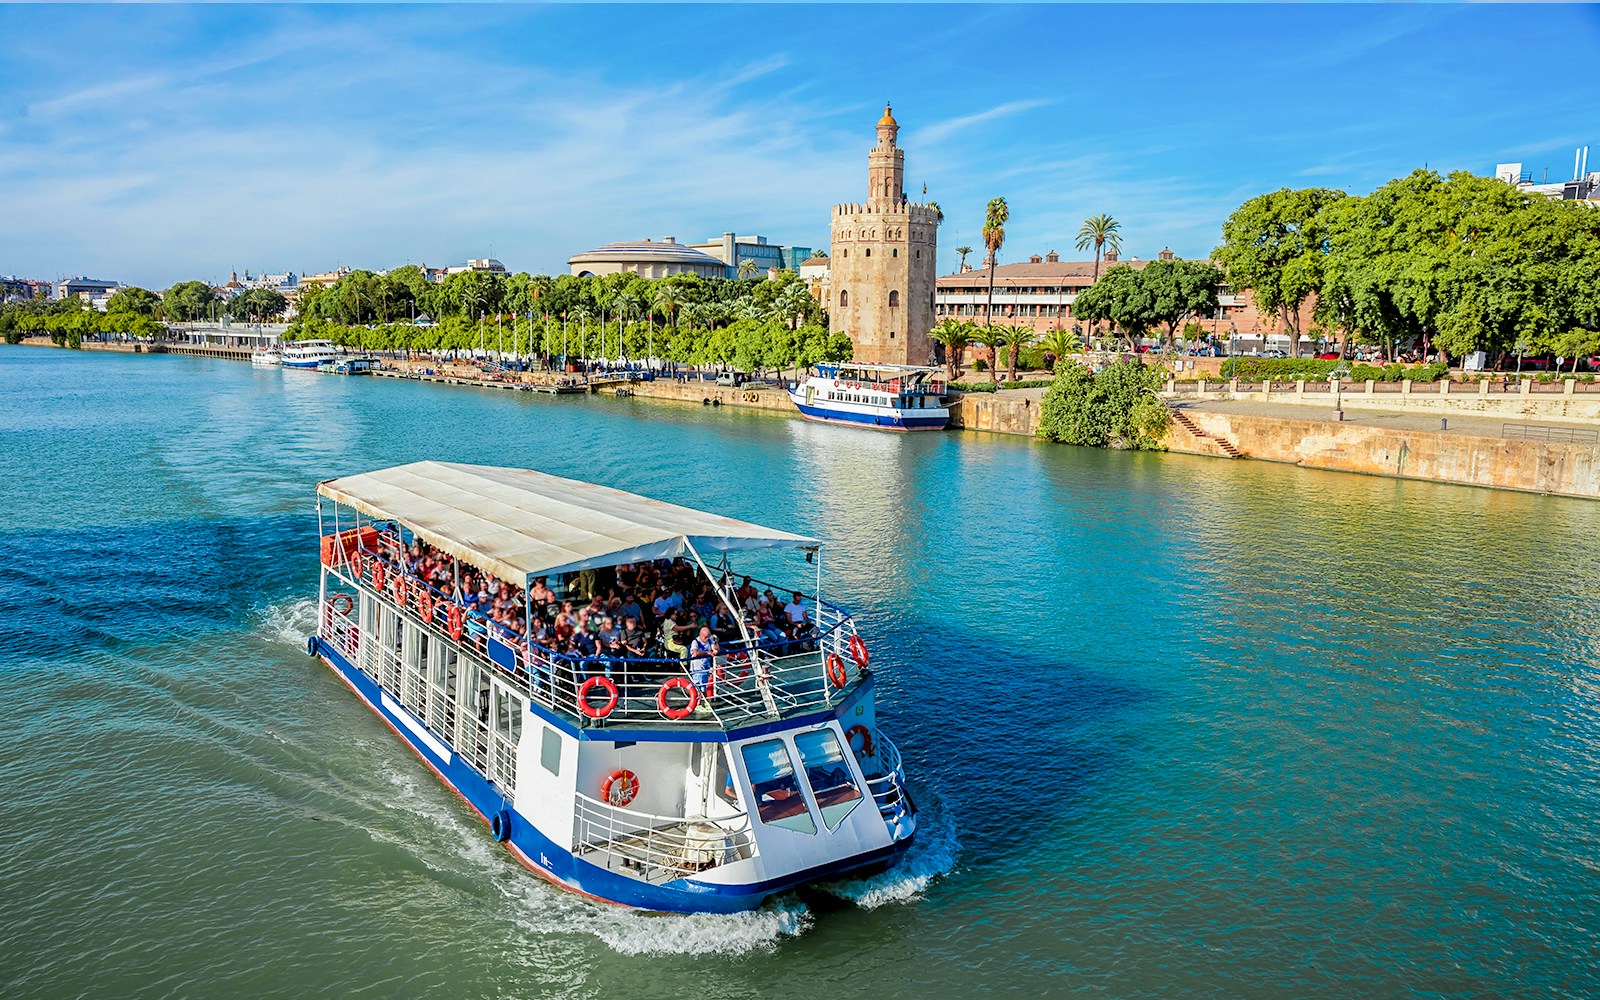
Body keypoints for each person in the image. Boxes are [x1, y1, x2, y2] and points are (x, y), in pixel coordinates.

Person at [688, 626, 718, 695]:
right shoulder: (695, 642)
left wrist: (716, 643)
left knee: (704, 687)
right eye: (705, 637)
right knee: (698, 687)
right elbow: (695, 653)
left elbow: (715, 649)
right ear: (700, 635)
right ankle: (698, 702)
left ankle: (704, 703)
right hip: (696, 669)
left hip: (705, 668)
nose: (707, 639)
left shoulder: (710, 640)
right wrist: (707, 652)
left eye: (708, 636)